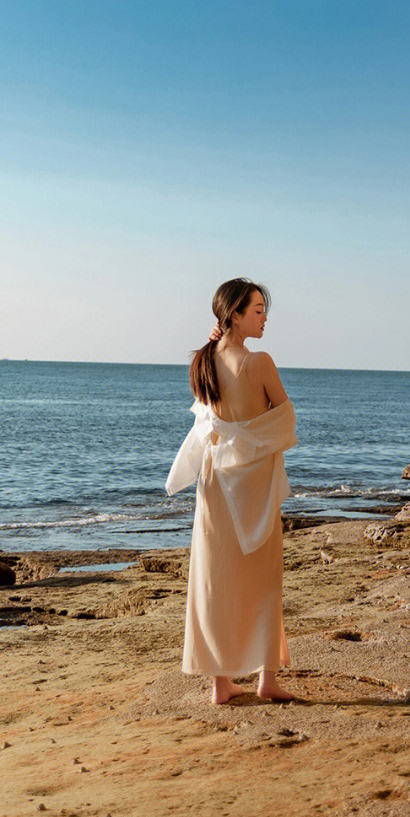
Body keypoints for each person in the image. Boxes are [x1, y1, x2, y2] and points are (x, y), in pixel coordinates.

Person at [165, 278, 298, 704]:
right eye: (257, 310)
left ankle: (219, 683)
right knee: (263, 577)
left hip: (213, 481)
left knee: (214, 578)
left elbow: (211, 417)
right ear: (234, 315)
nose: (265, 317)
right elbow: (285, 417)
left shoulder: (202, 361)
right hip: (251, 483)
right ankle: (266, 679)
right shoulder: (259, 363)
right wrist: (254, 435)